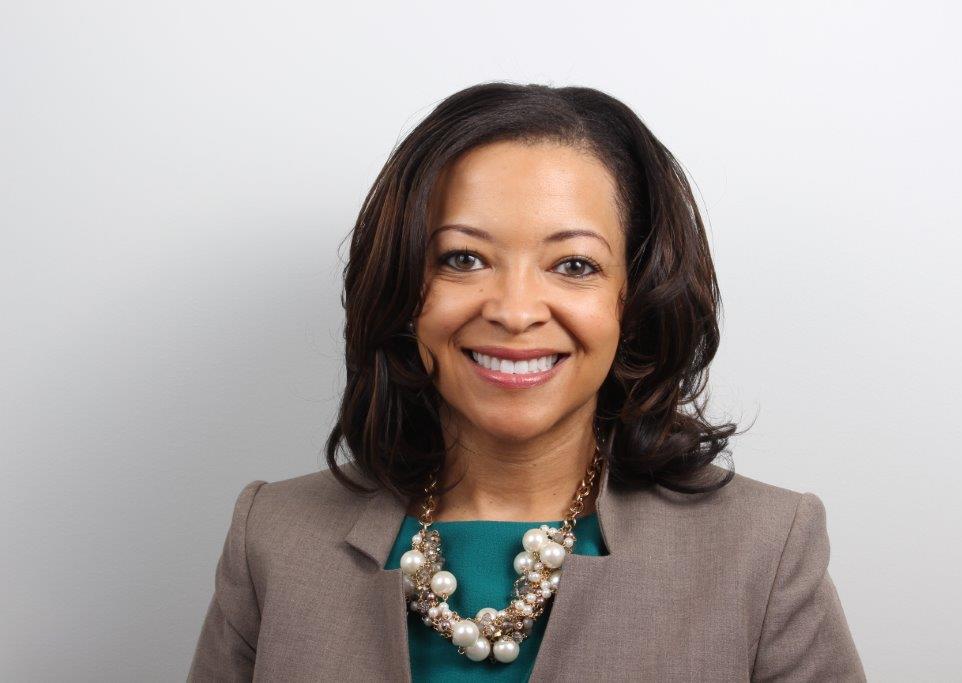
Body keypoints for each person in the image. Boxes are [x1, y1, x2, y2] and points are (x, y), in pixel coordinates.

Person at [188, 82, 866, 682]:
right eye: (463, 258)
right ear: (403, 289)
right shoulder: (274, 537)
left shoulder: (763, 549)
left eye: (573, 265)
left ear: (636, 298)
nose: (514, 311)